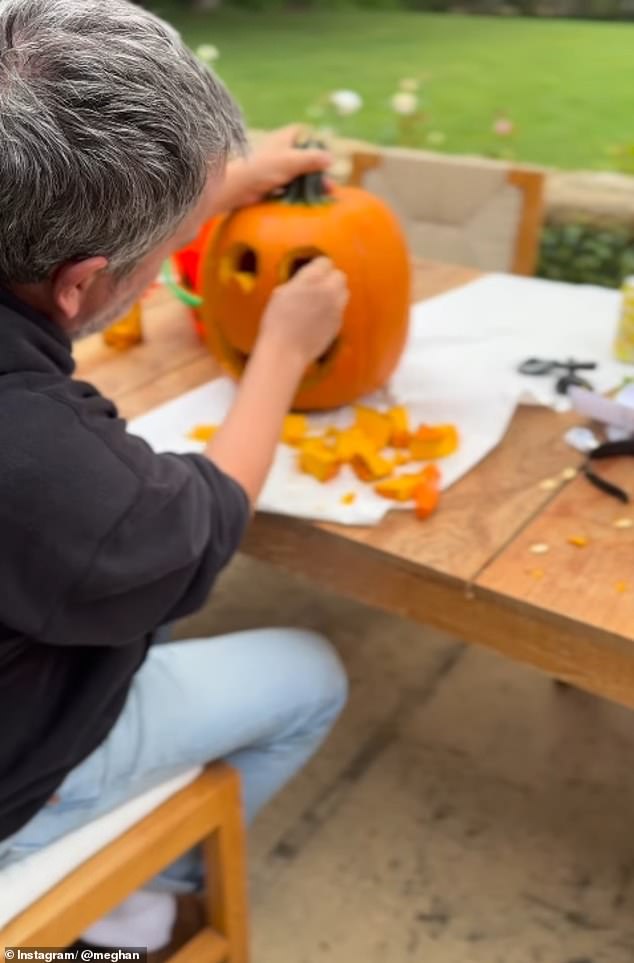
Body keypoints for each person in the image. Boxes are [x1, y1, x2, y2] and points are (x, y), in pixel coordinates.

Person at [0, 0, 349, 956]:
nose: (164, 274)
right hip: (16, 778)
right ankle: (140, 903)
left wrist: (226, 179)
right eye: (161, 258)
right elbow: (197, 526)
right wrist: (283, 348)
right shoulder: (54, 470)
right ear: (80, 286)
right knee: (312, 674)